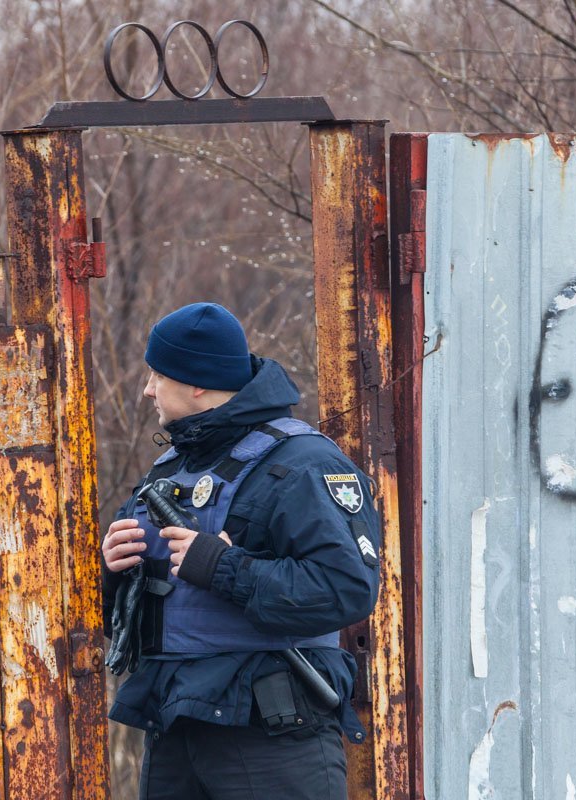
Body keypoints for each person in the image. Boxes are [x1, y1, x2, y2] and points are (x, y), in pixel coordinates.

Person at [101, 302, 381, 800]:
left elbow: (347, 590)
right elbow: (143, 621)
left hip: (272, 735)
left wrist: (224, 567)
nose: (147, 390)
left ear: (197, 384)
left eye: (157, 376)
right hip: (177, 728)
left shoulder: (304, 464)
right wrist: (116, 570)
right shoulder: (170, 469)